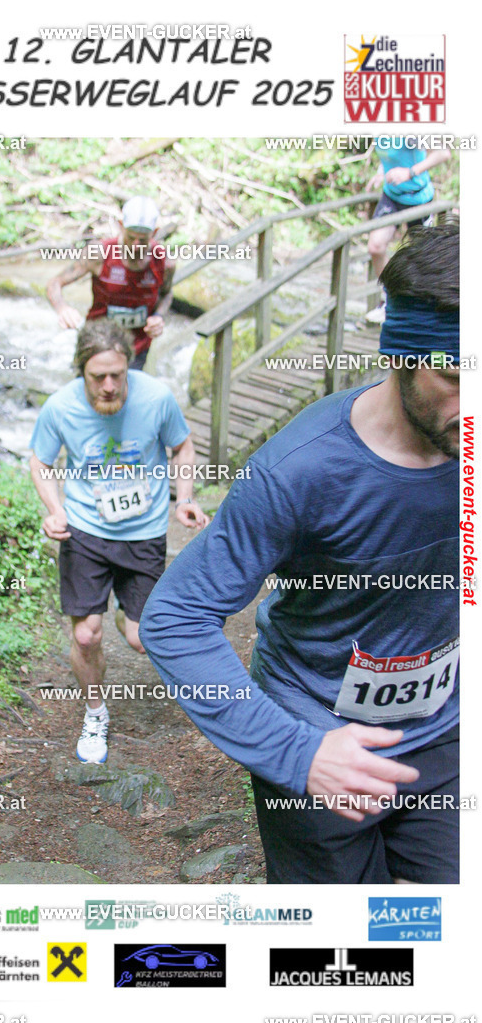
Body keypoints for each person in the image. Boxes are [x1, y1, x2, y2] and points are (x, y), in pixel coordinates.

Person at [140, 223, 460, 884]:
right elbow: (175, 618)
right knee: (342, 958)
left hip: (447, 739)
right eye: (453, 374)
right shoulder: (298, 471)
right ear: (401, 354)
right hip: (316, 742)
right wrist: (296, 754)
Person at [29, 318, 208, 763]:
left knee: (141, 638)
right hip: (86, 531)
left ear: (129, 367)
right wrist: (55, 509)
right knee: (87, 636)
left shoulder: (156, 398)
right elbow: (40, 461)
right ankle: (95, 713)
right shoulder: (60, 407)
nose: (109, 386)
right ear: (81, 372)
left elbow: (182, 447)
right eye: (97, 377)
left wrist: (183, 497)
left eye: (117, 375)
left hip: (143, 532)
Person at [46, 196, 175, 370]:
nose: (136, 245)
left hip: (136, 348)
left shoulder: (164, 262)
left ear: (155, 232)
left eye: (143, 240)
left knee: (126, 394)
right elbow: (54, 283)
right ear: (121, 226)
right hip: (95, 343)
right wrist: (62, 309)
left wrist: (159, 316)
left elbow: (167, 294)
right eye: (131, 237)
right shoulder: (99, 253)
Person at [365, 136, 450, 321]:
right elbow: (391, 156)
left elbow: (443, 152)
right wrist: (382, 172)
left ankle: (423, 311)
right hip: (392, 196)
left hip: (418, 198)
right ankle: (391, 300)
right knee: (375, 247)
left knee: (422, 259)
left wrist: (409, 172)